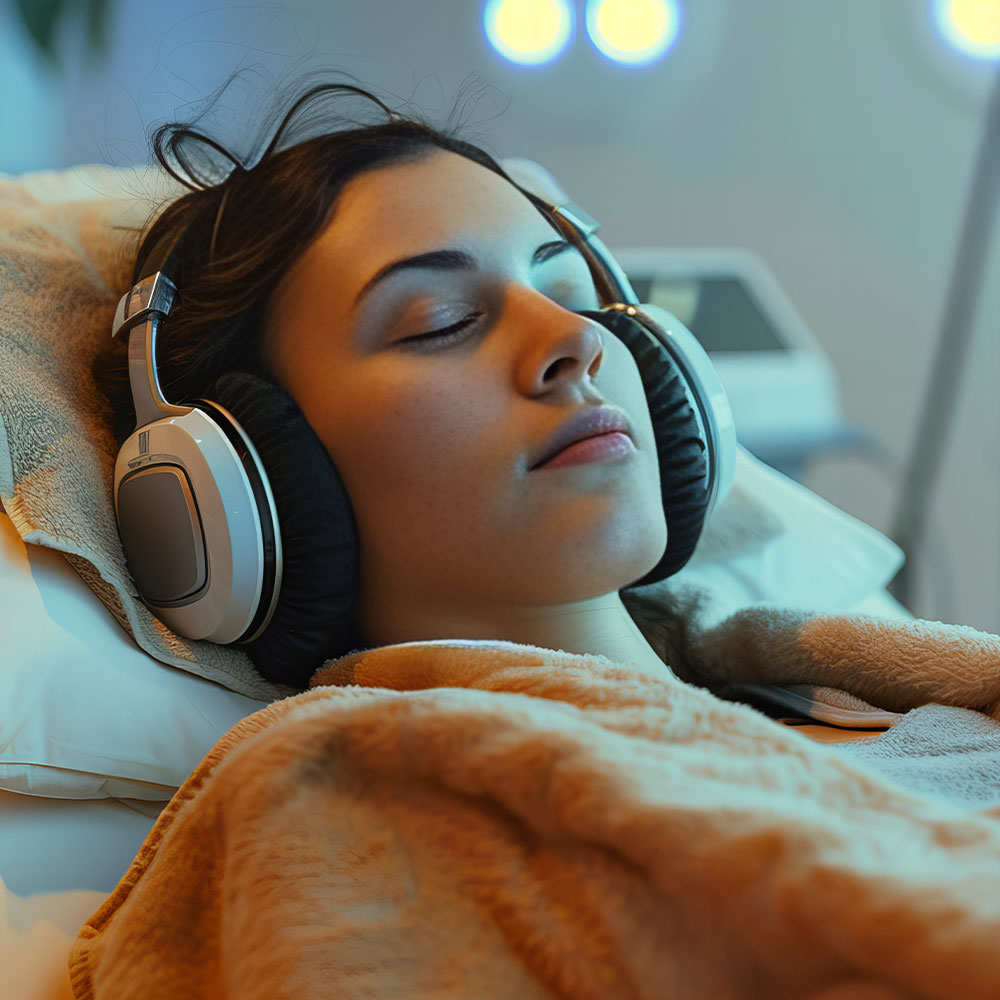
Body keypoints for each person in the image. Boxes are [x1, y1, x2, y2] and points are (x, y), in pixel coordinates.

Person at [94, 76, 702, 686]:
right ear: (259, 484)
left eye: (570, 295)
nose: (578, 338)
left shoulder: (756, 700)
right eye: (443, 322)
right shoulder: (357, 752)